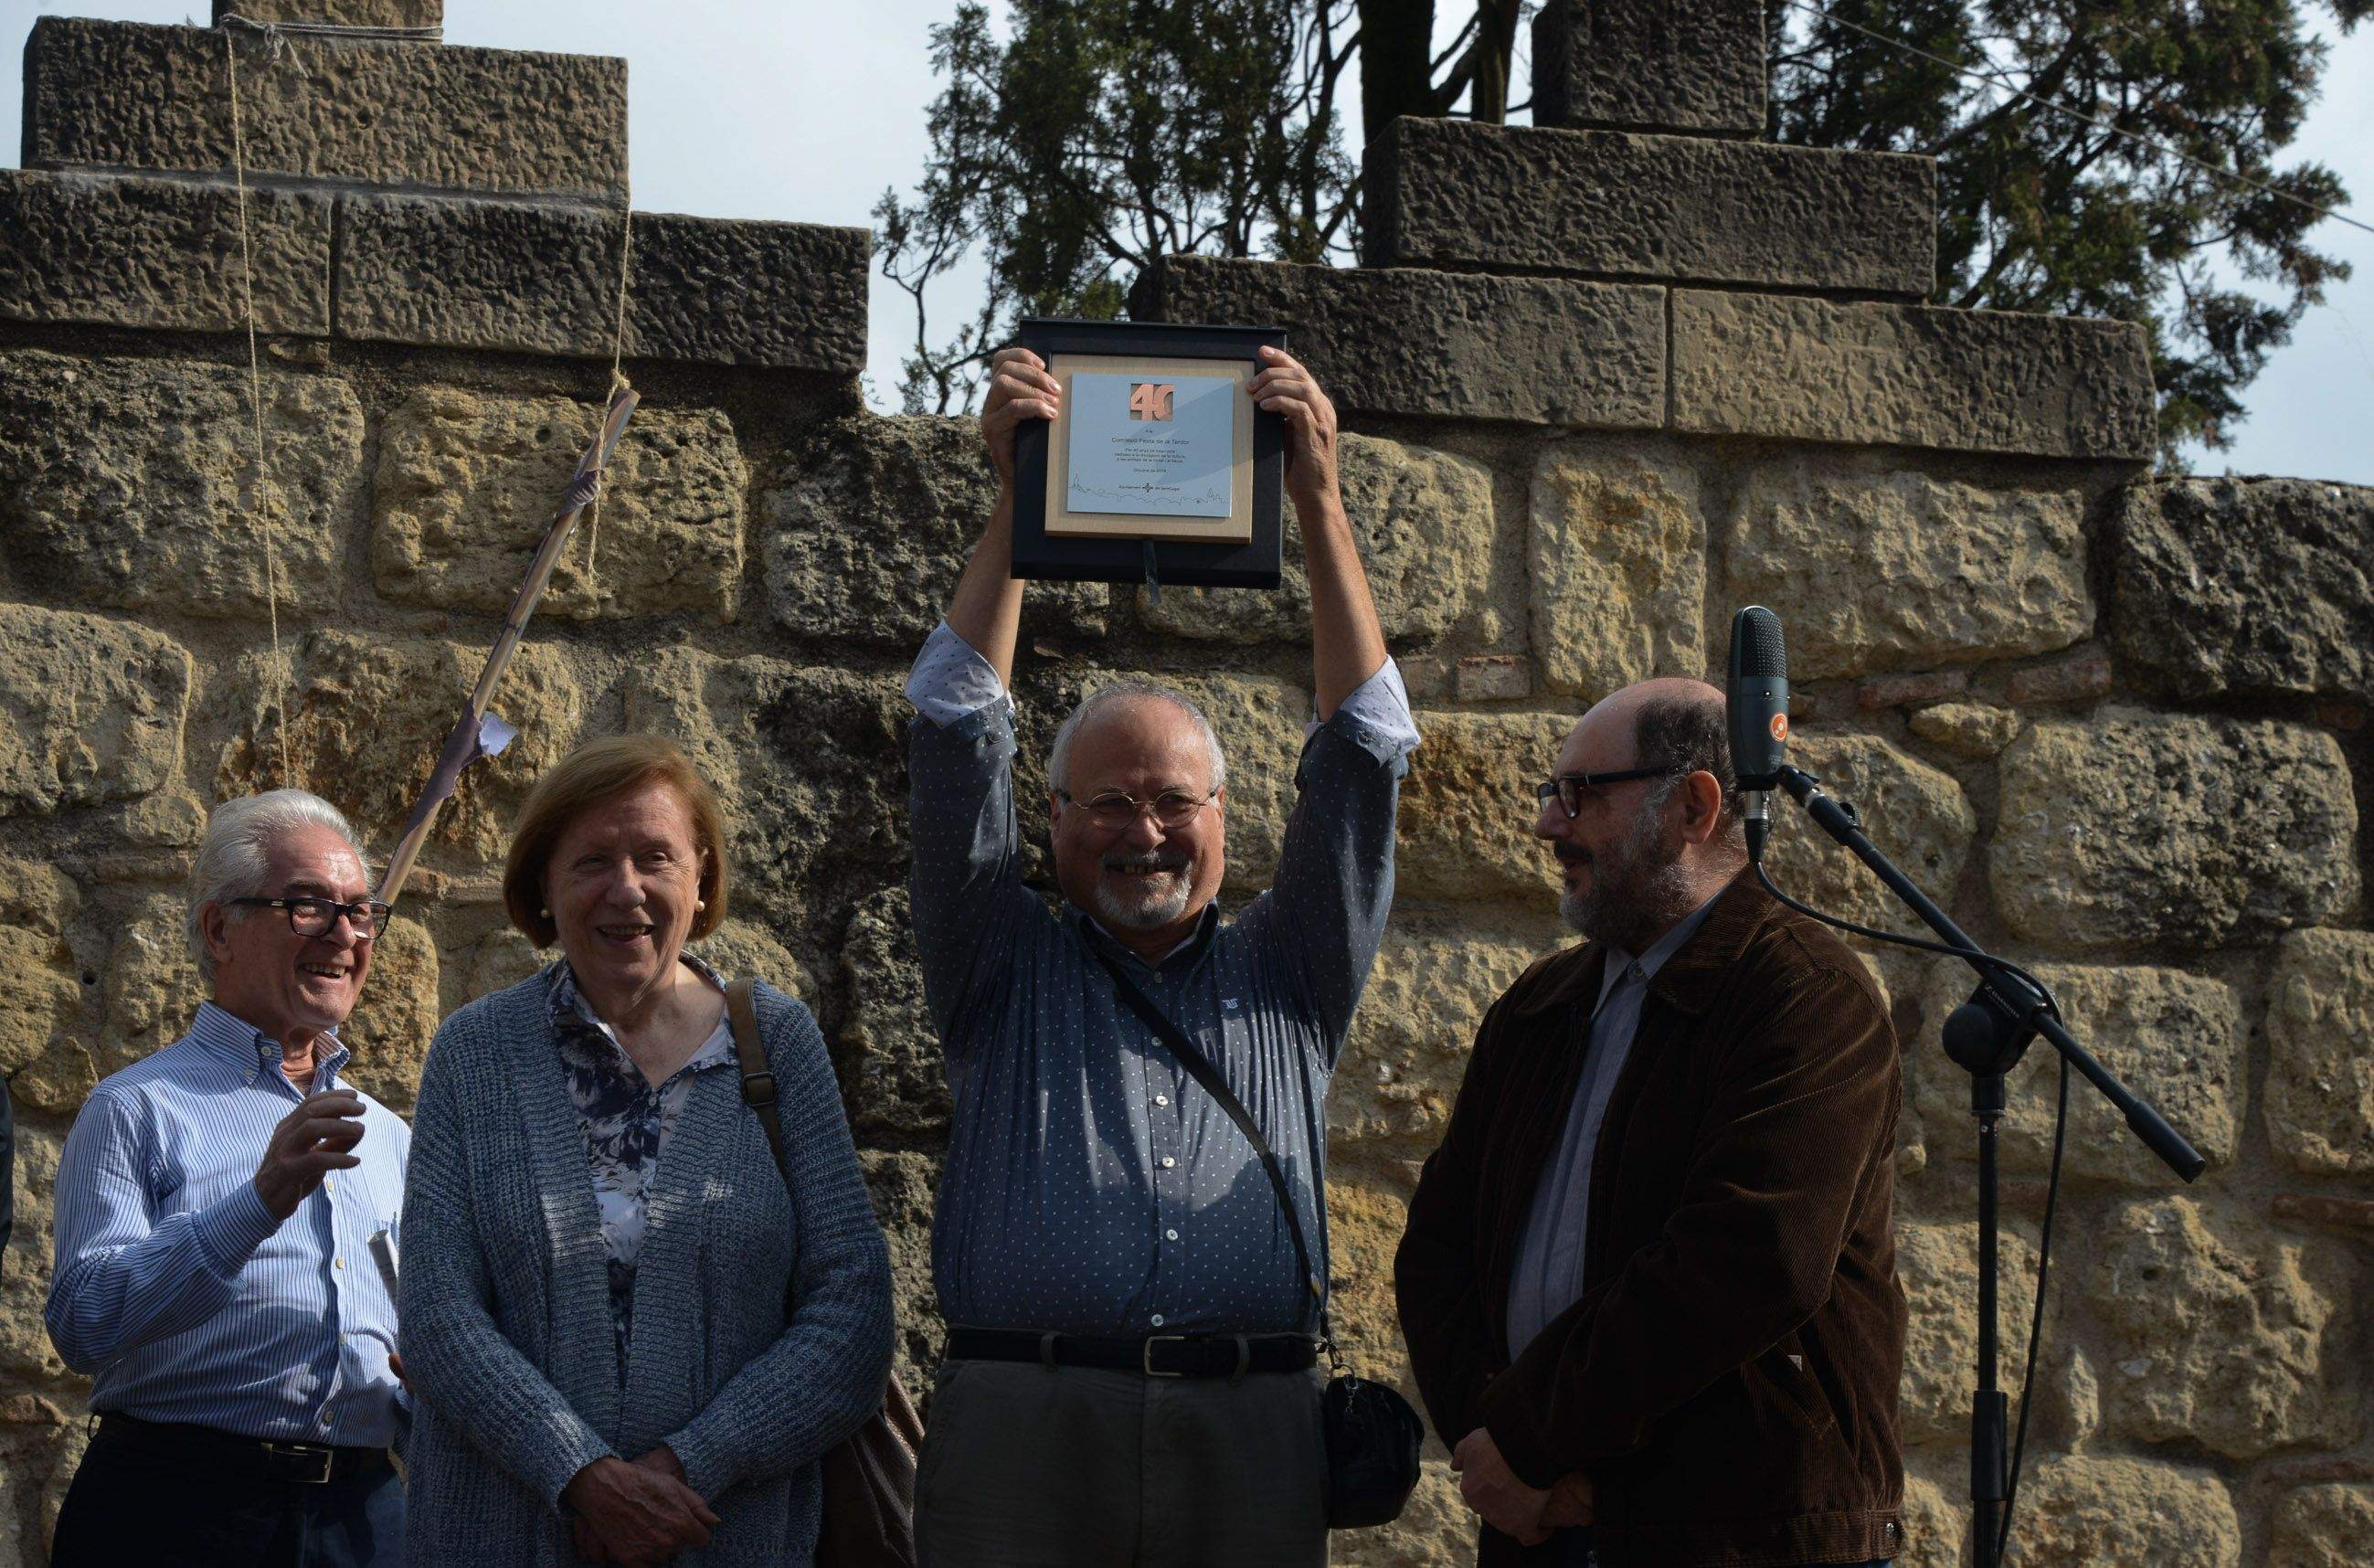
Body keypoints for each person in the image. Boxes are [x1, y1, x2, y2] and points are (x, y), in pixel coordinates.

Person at [904, 344, 1417, 1567]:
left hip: (1250, 1436)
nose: (1144, 833)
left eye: (1174, 802)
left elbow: (1364, 752)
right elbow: (953, 729)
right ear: (1054, 821)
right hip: (1022, 1437)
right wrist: (1020, 497)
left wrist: (1318, 502)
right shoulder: (998, 962)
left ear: (1224, 817)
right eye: (1109, 803)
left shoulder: (1293, 969)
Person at [1394, 680, 1906, 1568]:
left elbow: (1750, 1259)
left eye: (1580, 795)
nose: (1548, 824)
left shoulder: (1806, 996)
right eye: (1551, 793)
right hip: (1544, 1532)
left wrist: (1530, 1439)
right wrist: (1503, 1453)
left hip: (1742, 1542)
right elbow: (1439, 1249)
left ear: (1694, 808)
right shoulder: (1540, 1006)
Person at [397, 736, 893, 1568]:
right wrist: (580, 1475)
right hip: (504, 1539)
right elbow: (439, 1315)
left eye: (655, 857)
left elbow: (852, 1313)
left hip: (726, 1540)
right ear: (544, 887)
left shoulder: (778, 1044)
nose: (625, 888)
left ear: (700, 879)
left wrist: (688, 1466)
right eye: (592, 861)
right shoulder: (474, 1053)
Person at [47, 789, 408, 1566]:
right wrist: (259, 1201)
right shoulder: (136, 1108)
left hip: (363, 1517)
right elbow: (84, 1323)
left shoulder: (389, 1135)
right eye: (309, 906)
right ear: (220, 929)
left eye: (359, 911)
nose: (344, 934)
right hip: (179, 1511)